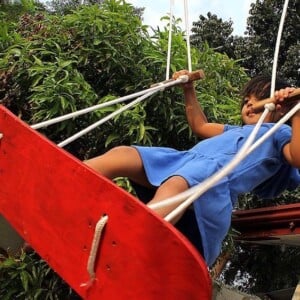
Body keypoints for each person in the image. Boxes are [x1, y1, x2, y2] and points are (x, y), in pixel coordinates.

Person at [84, 70, 300, 267]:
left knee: (177, 184)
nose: (249, 105)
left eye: (258, 99)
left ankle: (129, 239)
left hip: (212, 185)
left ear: (280, 108)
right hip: (184, 163)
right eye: (246, 101)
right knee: (124, 154)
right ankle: (70, 179)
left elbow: (296, 157)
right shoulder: (233, 130)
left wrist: (297, 112)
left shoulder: (278, 133)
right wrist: (188, 90)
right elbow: (200, 126)